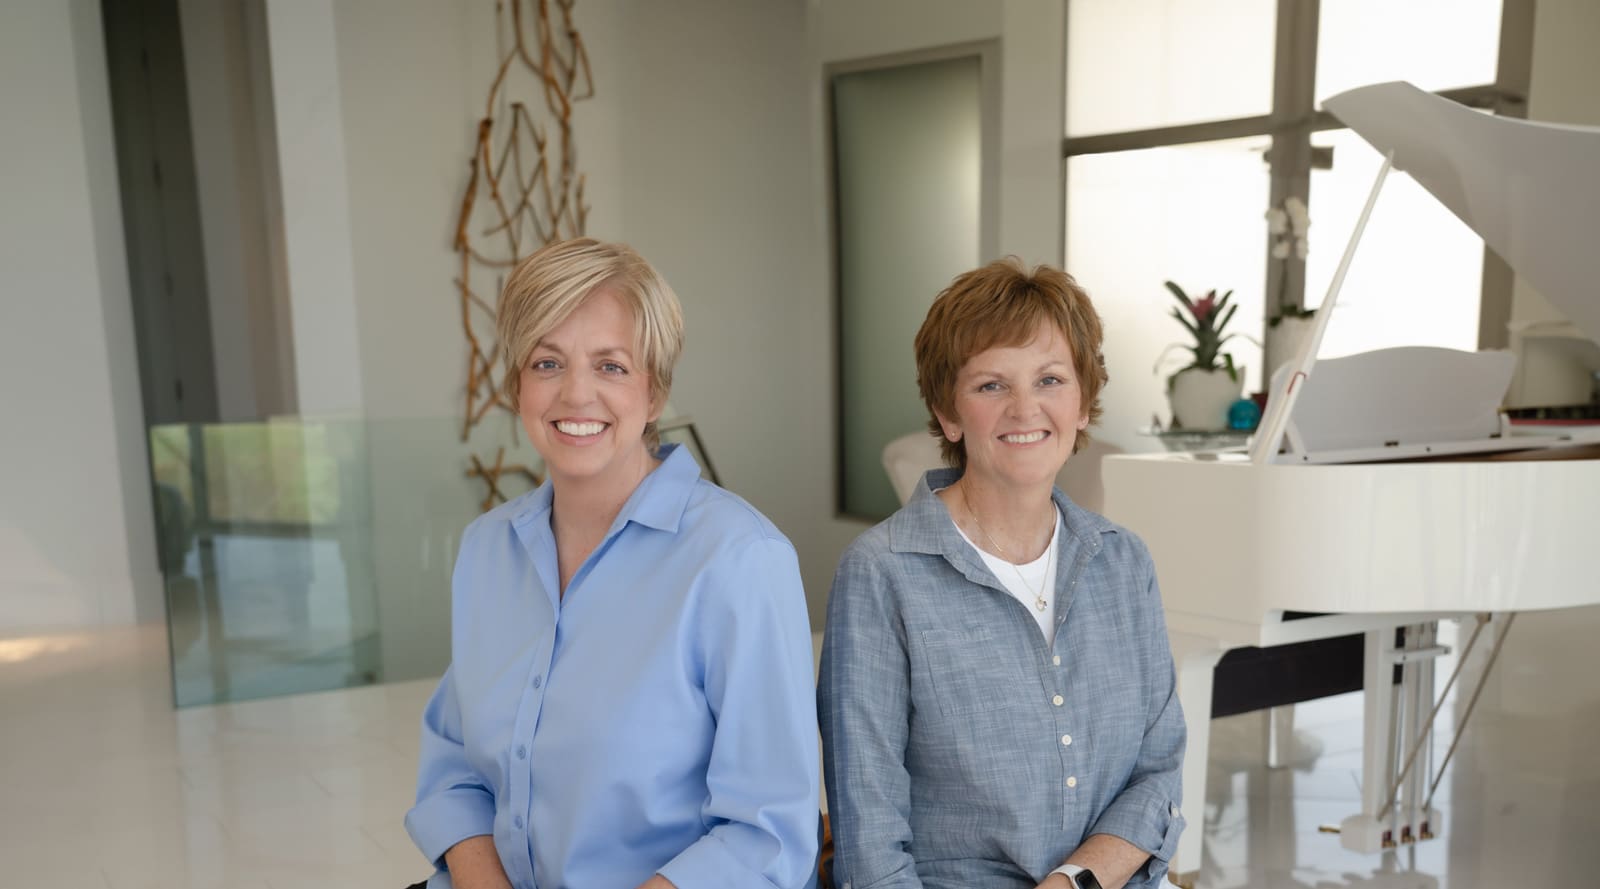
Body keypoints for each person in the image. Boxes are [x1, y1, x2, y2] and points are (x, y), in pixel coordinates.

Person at [406, 238, 820, 889]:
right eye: (547, 362)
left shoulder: (740, 561)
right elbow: (456, 766)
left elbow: (765, 835)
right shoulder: (486, 549)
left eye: (611, 366)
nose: (576, 393)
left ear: (654, 392)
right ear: (517, 385)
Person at [818, 258, 1185, 889]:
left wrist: (1073, 880)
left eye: (1050, 379)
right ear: (948, 413)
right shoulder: (882, 575)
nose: (1026, 409)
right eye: (992, 385)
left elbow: (1158, 775)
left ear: (1083, 404)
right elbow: (869, 834)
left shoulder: (1124, 562)